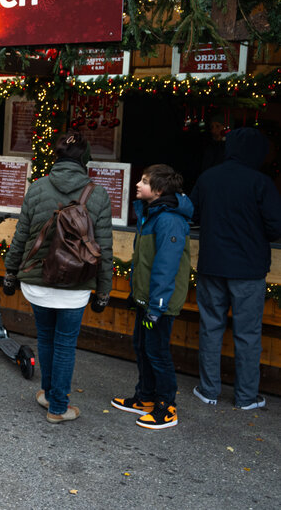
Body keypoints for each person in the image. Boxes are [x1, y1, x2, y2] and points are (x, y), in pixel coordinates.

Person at [3, 133, 113, 423]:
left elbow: (22, 236)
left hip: (38, 282)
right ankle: (58, 407)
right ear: (84, 159)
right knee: (65, 344)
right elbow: (104, 248)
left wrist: (10, 272)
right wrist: (104, 291)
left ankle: (49, 395)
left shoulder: (37, 188)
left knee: (46, 339)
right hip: (76, 285)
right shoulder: (98, 194)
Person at [190, 127, 281, 410]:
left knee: (210, 328)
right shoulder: (262, 182)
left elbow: (192, 214)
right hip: (249, 269)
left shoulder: (208, 177)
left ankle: (208, 390)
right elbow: (276, 228)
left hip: (212, 265)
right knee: (248, 334)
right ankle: (245, 397)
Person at [111, 165, 192, 430]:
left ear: (158, 190)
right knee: (142, 346)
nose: (138, 184)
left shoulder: (170, 220)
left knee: (156, 351)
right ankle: (145, 398)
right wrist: (138, 296)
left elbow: (166, 267)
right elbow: (144, 262)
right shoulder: (151, 215)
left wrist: (156, 305)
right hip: (147, 301)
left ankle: (166, 407)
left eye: (144, 181)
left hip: (160, 305)